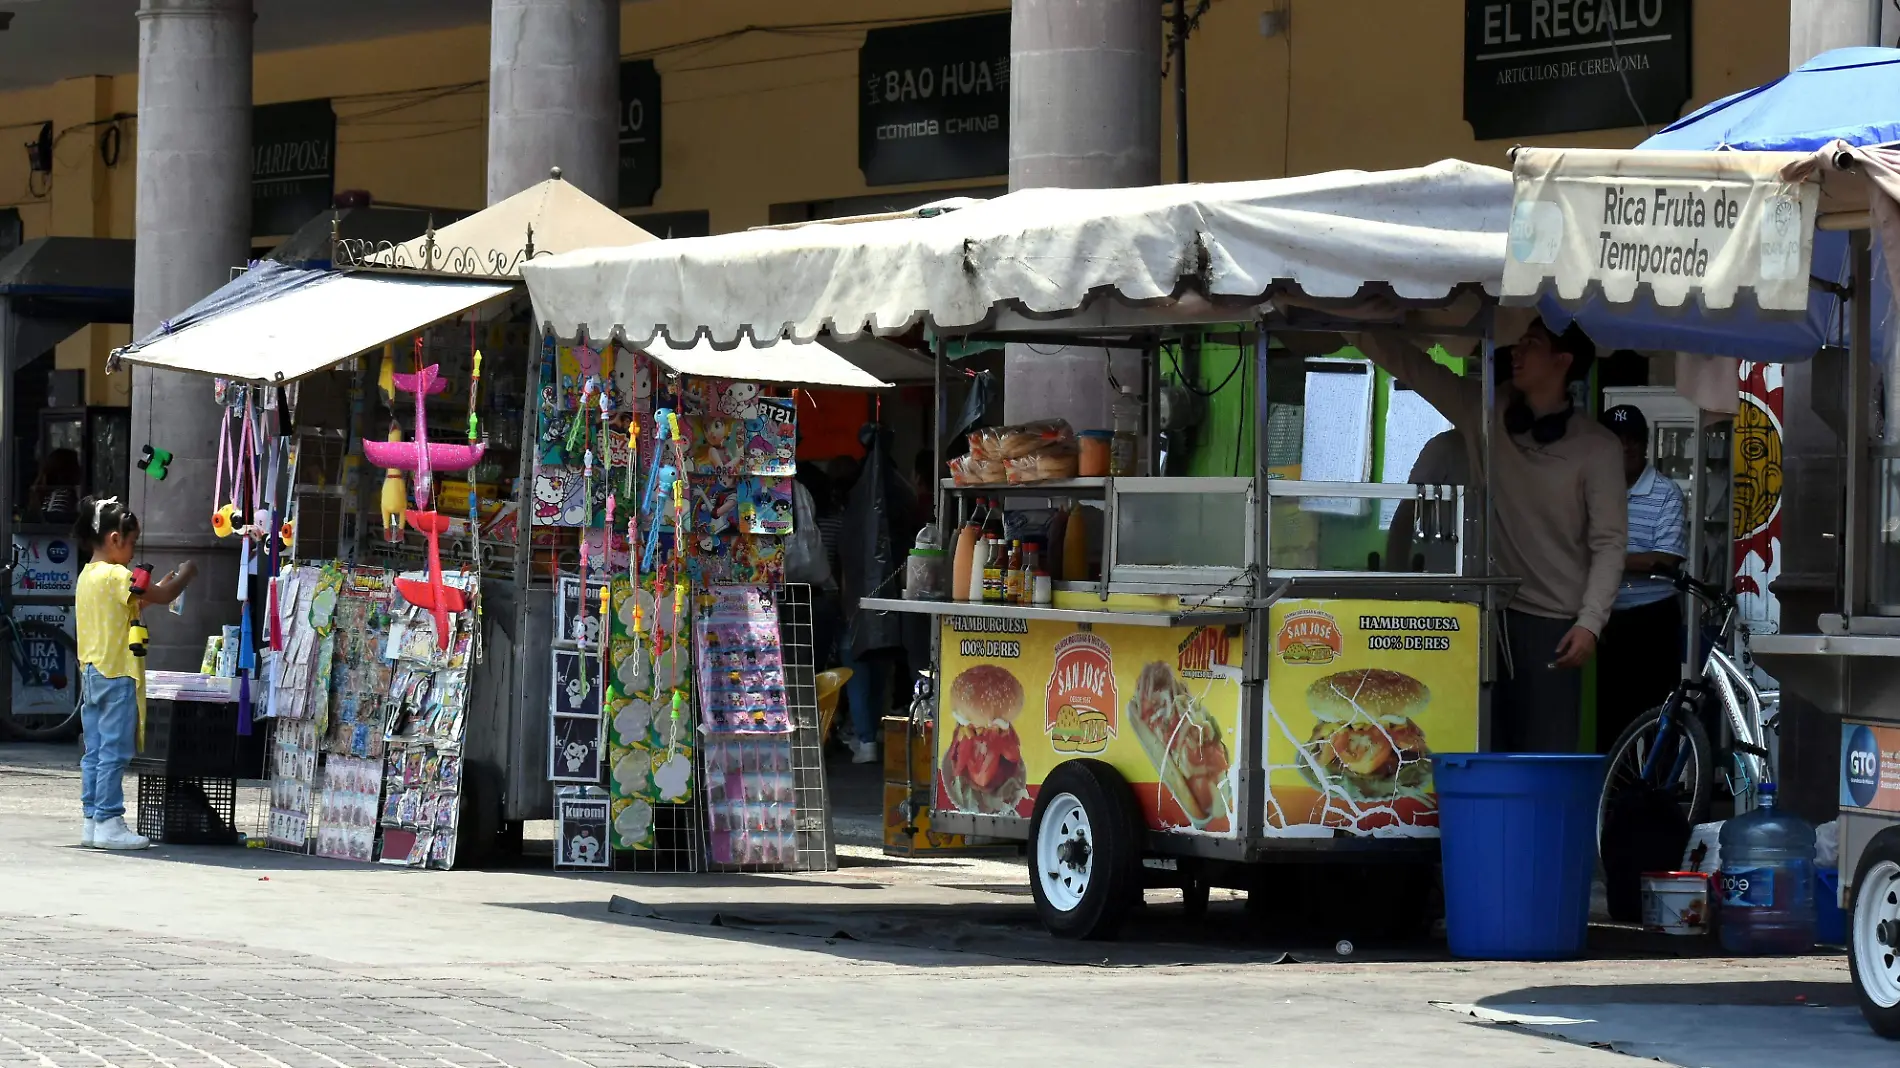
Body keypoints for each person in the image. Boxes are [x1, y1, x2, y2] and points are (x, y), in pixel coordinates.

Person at [1359, 318, 1626, 752]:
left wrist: (1591, 622)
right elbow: (1416, 368)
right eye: (1519, 342)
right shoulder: (1487, 414)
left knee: (1545, 755)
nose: (1517, 351)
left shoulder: (1598, 448)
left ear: (1563, 361)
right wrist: (1350, 320)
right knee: (1479, 745)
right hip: (1483, 614)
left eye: (1532, 344)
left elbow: (1609, 543)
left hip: (1553, 626)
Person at [73, 496, 198, 850]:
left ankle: (92, 819)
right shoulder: (116, 574)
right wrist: (187, 574)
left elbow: (138, 601)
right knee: (114, 751)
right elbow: (160, 595)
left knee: (95, 751)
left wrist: (160, 588)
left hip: (93, 673)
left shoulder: (88, 575)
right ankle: (110, 821)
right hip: (117, 674)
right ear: (114, 539)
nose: (132, 552)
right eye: (131, 544)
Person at [1595, 404, 1688, 752]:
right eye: (1616, 440)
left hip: (1651, 619)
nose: (1626, 447)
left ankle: (1653, 801)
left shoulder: (1666, 493)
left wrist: (1606, 559)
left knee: (1656, 718)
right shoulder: (1593, 492)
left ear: (1646, 445)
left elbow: (1665, 559)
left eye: (1634, 439)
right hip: (1604, 618)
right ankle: (1611, 801)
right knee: (1608, 718)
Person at [1384, 428, 1465, 574]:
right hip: (1446, 579)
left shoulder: (1506, 452)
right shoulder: (1446, 447)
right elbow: (1406, 515)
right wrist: (1395, 580)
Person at [29, 449, 83, 524]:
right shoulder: (62, 494)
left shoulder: (52, 494)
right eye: (76, 465)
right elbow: (54, 523)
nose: (80, 470)